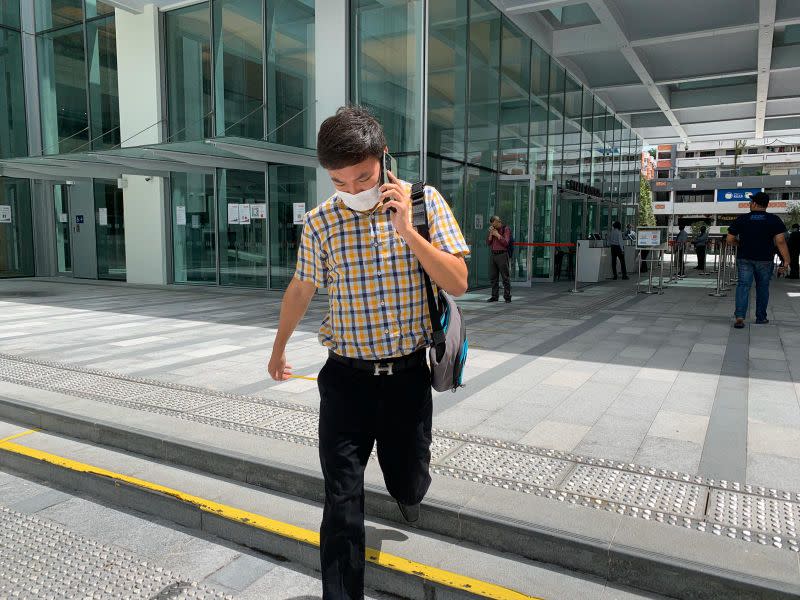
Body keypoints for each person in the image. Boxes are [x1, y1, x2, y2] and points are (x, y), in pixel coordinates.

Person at [266, 106, 469, 599]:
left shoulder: (424, 203)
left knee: (408, 478)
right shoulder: (321, 223)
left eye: (363, 178)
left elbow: (459, 281)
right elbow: (301, 286)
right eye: (339, 181)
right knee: (341, 501)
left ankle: (408, 494)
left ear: (384, 159)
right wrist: (278, 348)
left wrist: (407, 231)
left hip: (406, 380)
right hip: (345, 381)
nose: (353, 190)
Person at [727, 191, 789, 328]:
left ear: (754, 203)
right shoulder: (774, 219)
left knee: (743, 286)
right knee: (762, 288)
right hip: (765, 260)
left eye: (751, 202)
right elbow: (780, 241)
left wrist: (741, 244)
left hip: (745, 258)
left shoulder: (742, 219)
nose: (750, 204)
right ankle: (761, 317)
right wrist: (786, 260)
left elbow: (730, 240)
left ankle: (739, 317)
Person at [486, 216, 512, 303]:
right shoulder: (493, 230)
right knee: (493, 277)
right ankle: (494, 296)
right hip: (493, 255)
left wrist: (497, 235)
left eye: (494, 224)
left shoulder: (506, 229)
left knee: (505, 277)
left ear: (498, 222)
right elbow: (488, 243)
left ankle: (507, 297)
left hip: (502, 255)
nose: (493, 226)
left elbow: (506, 242)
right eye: (492, 224)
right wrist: (491, 234)